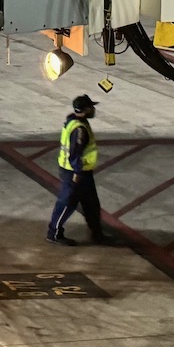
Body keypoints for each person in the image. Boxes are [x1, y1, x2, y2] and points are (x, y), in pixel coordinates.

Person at [46, 94, 117, 246]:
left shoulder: (75, 120)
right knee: (67, 203)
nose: (94, 109)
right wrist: (77, 173)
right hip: (74, 172)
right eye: (91, 107)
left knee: (91, 204)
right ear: (85, 110)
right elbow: (74, 153)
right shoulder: (79, 129)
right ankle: (54, 233)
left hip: (83, 172)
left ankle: (97, 234)